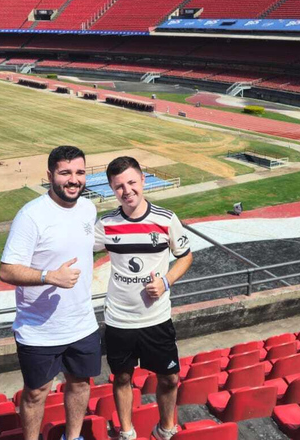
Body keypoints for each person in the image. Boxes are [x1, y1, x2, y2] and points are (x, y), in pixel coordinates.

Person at [0, 146, 100, 440]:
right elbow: (7, 270)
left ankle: (74, 437)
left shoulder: (88, 208)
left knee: (81, 384)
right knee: (35, 394)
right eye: (65, 172)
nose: (74, 180)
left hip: (82, 323)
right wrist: (49, 277)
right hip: (38, 330)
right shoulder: (30, 216)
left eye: (79, 172)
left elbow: (82, 243)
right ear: (49, 175)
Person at [94, 157, 193, 440]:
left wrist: (165, 282)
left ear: (143, 181)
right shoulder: (107, 224)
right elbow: (76, 245)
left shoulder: (166, 219)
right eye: (119, 186)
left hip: (156, 318)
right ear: (112, 190)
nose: (127, 191)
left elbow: (186, 257)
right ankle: (127, 433)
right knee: (122, 378)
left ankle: (166, 429)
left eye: (131, 182)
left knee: (170, 378)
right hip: (119, 319)